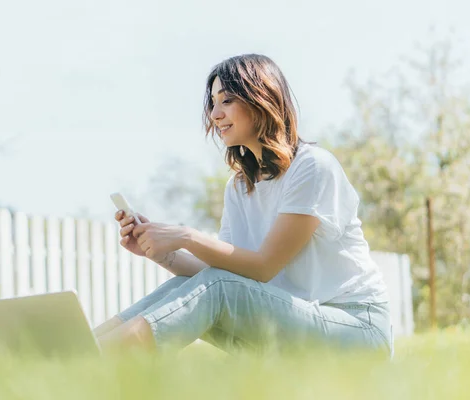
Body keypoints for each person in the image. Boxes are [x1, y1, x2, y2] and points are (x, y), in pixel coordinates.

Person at [94, 54, 393, 357]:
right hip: (292, 319)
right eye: (212, 103)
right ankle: (81, 348)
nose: (214, 114)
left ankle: (98, 358)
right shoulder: (239, 186)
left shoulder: (313, 167)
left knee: (220, 287)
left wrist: (185, 235)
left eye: (226, 101)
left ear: (260, 100)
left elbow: (263, 267)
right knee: (195, 284)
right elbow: (222, 274)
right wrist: (163, 254)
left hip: (357, 328)